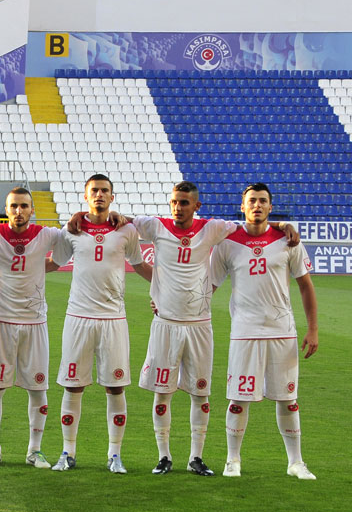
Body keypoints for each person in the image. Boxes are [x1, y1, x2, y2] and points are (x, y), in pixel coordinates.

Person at [123, 182, 299, 476]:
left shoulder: (214, 228)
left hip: (200, 324)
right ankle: (164, 456)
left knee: (200, 393)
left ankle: (196, 457)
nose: (178, 207)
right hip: (165, 323)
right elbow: (120, 221)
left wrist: (282, 223)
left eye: (184, 202)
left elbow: (254, 224)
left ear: (196, 206)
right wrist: (84, 216)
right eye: (174, 202)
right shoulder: (155, 226)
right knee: (162, 392)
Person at [208, 183, 318, 479]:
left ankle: (295, 462)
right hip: (245, 332)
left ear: (271, 207)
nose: (257, 205)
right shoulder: (227, 242)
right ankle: (233, 460)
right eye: (252, 201)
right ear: (242, 207)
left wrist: (313, 330)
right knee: (238, 398)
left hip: (283, 331)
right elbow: (209, 287)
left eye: (263, 201)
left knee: (288, 399)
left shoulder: (288, 241)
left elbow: (305, 285)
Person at [50, 174, 151, 474]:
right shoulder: (71, 230)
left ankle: (115, 455)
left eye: (104, 191)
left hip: (113, 319)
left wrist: (168, 289)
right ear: (85, 196)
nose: (99, 195)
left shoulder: (126, 231)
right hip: (78, 318)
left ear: (112, 196)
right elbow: (52, 264)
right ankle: (67, 452)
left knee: (115, 387)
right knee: (72, 388)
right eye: (94, 190)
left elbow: (141, 265)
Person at [0, 187, 63, 468]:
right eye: (13, 206)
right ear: (6, 209)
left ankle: (34, 451)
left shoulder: (47, 234)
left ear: (32, 209)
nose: (19, 211)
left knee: (38, 389)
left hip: (34, 321)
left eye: (24, 206)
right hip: (0, 321)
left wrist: (36, 269)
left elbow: (61, 256)